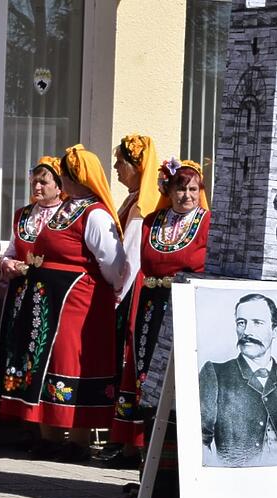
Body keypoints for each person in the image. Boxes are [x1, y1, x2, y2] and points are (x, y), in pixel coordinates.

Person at [0, 144, 126, 462]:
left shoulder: (95, 214)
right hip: (53, 303)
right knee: (52, 363)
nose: (62, 180)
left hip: (80, 303)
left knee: (75, 364)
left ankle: (78, 439)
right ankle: (51, 436)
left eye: (66, 175)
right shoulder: (67, 210)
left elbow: (113, 264)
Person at [109, 158, 210, 471]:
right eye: (180, 189)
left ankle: (176, 468)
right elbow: (143, 264)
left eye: (193, 189)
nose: (186, 196)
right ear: (169, 190)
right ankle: (146, 467)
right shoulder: (152, 222)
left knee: (180, 385)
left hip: (186, 308)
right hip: (151, 308)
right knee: (147, 379)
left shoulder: (208, 224)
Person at [0, 156, 65, 445]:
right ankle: (30, 428)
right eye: (34, 180)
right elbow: (12, 249)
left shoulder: (67, 214)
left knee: (44, 357)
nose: (37, 186)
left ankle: (52, 433)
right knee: (22, 355)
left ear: (59, 186)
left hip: (50, 298)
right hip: (23, 295)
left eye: (44, 181)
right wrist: (7, 262)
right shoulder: (23, 214)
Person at [101, 134, 161, 461]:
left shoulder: (143, 206)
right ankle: (124, 438)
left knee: (134, 362)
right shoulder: (133, 200)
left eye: (121, 163)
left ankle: (133, 441)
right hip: (130, 285)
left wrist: (116, 293)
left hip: (133, 289)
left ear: (137, 166)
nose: (116, 168)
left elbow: (131, 255)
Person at [199, 293, 277, 467]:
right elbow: (199, 440)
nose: (246, 331)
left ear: (275, 330)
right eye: (241, 323)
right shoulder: (215, 374)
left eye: (257, 323)